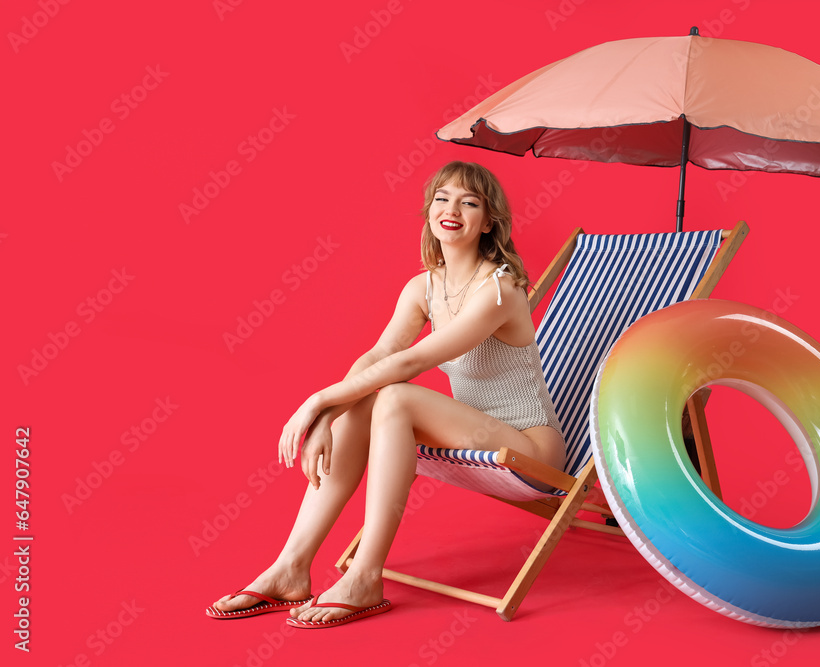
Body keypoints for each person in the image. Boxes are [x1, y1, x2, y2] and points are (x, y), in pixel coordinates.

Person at [207, 161, 565, 628]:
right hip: (476, 434)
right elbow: (379, 354)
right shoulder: (424, 287)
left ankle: (365, 576)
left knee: (394, 395)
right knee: (371, 400)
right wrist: (330, 417)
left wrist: (316, 401)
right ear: (429, 209)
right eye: (442, 198)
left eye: (469, 202)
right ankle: (291, 567)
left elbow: (411, 362)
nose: (451, 209)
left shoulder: (499, 290)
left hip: (529, 448)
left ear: (489, 220)